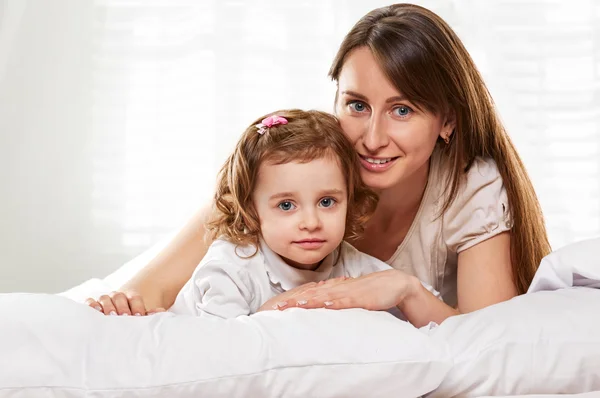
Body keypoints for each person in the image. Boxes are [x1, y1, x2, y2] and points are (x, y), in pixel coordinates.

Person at [86, 3, 550, 327]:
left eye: (403, 109)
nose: (372, 138)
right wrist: (124, 307)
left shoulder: (470, 186)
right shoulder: (297, 165)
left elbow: (492, 337)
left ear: (447, 119)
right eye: (357, 105)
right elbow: (153, 289)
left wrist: (406, 292)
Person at [168, 109, 419, 318]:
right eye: (286, 205)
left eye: (327, 202)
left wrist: (408, 290)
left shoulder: (352, 264)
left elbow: (431, 319)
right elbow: (224, 356)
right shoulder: (229, 268)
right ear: (250, 212)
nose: (311, 223)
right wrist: (277, 310)